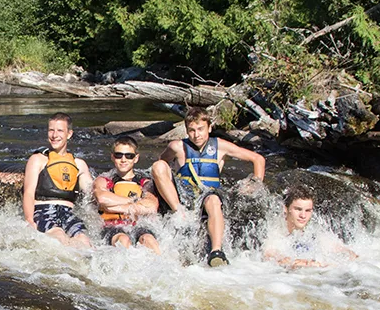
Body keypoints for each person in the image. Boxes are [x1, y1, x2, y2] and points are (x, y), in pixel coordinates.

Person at [151, 107, 265, 266]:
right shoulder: (177, 147)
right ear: (186, 130)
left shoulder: (221, 146)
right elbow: (161, 164)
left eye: (200, 129)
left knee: (212, 201)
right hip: (184, 195)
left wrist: (255, 184)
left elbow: (258, 159)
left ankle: (216, 252)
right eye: (191, 130)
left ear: (209, 128)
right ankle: (179, 212)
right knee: (157, 166)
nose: (196, 135)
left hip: (209, 194)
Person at [22, 112, 94, 248]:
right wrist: (29, 220)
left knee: (83, 240)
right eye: (51, 130)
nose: (55, 135)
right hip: (43, 211)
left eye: (60, 130)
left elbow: (91, 196)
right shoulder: (37, 160)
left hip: (68, 213)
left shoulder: (79, 164)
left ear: (69, 134)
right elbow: (29, 192)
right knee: (59, 236)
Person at [93, 135, 161, 253]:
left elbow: (151, 207)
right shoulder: (105, 179)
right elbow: (102, 198)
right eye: (119, 155)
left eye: (129, 156)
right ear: (113, 157)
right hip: (112, 226)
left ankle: (164, 268)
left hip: (138, 225)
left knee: (149, 240)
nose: (123, 160)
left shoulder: (144, 182)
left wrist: (115, 206)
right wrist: (135, 201)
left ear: (136, 158)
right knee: (123, 240)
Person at [264, 185, 357, 268]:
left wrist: (324, 264)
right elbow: (269, 255)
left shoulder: (314, 232)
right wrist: (288, 262)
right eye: (298, 209)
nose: (303, 216)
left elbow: (350, 254)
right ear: (286, 209)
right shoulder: (275, 231)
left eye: (308, 210)